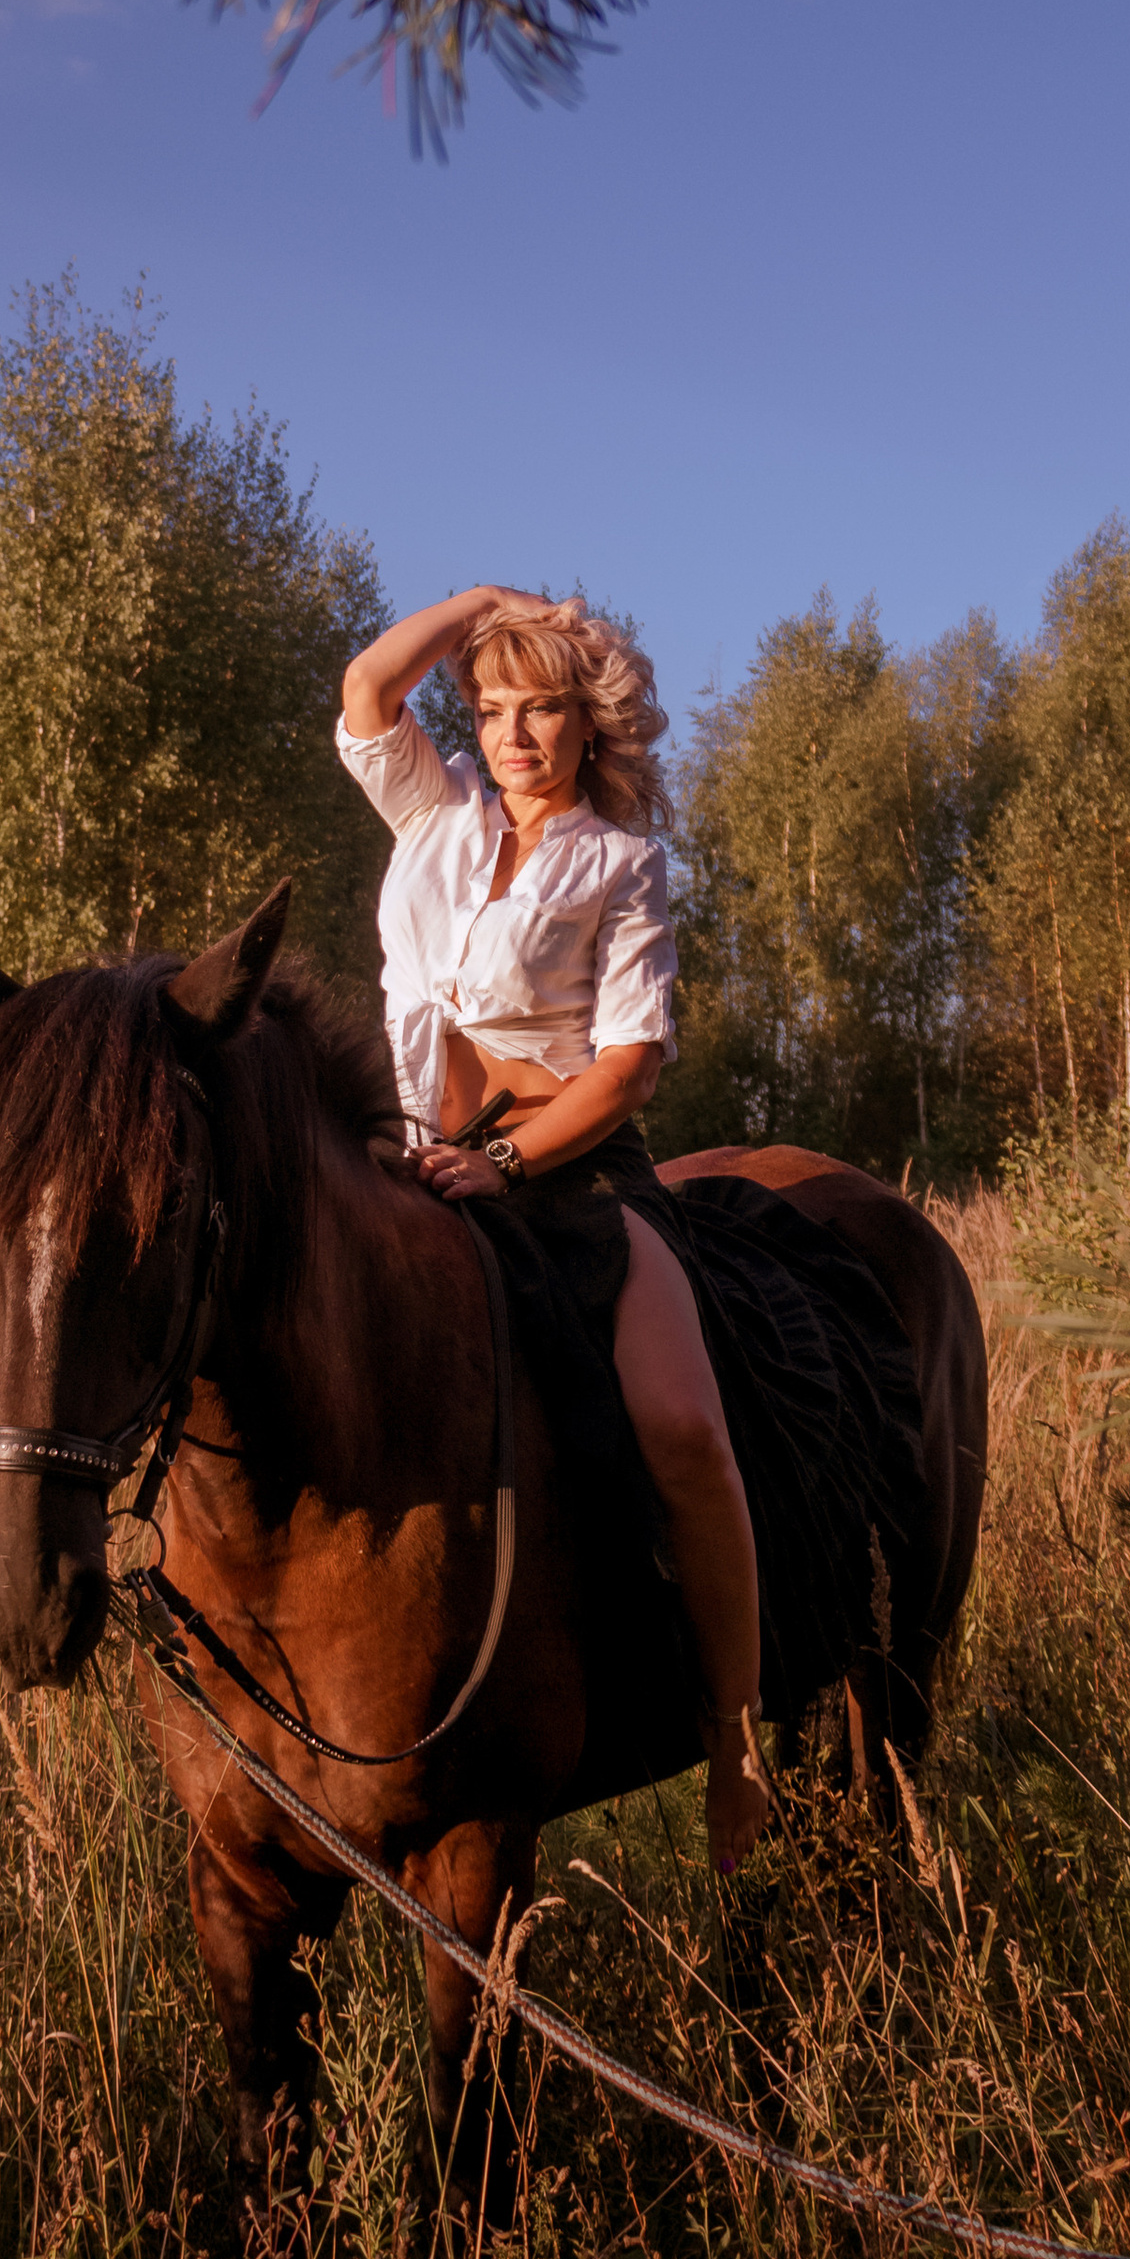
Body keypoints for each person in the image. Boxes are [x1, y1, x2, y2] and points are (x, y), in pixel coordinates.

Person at [337, 586, 773, 1873]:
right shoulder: (432, 814)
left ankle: (734, 1734)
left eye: (540, 709)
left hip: (568, 1172)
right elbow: (366, 690)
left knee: (685, 1430)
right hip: (410, 1165)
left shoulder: (620, 864)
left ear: (590, 726)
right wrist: (481, 601)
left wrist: (506, 1161)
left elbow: (628, 1067)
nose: (513, 735)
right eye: (490, 710)